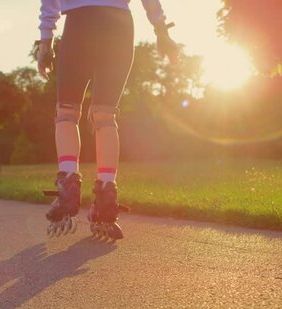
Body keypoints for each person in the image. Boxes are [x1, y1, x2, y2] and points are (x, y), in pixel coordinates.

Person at [37, 0, 179, 240]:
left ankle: (68, 185)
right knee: (105, 115)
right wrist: (161, 31)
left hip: (79, 23)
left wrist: (45, 43)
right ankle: (105, 198)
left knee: (67, 112)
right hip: (119, 26)